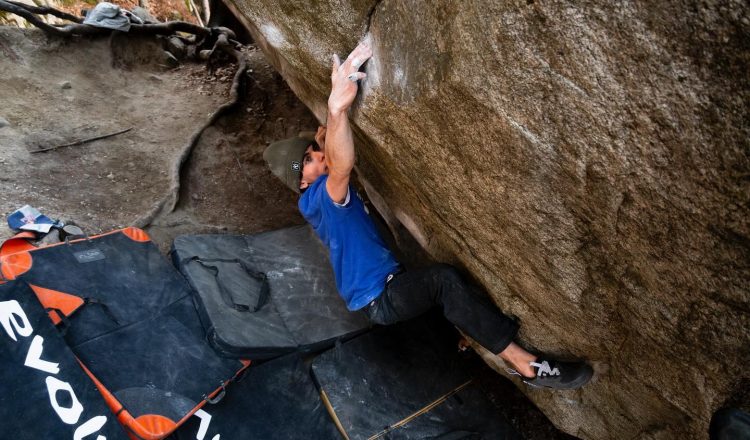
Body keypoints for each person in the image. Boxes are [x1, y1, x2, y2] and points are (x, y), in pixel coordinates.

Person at [263, 41, 593, 389]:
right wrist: (336, 110)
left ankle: (469, 332)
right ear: (302, 180)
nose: (321, 154)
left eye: (317, 149)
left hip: (385, 287)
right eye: (312, 157)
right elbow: (342, 166)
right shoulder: (318, 198)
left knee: (441, 290)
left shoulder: (318, 193)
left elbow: (332, 156)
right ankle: (526, 365)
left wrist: (326, 135)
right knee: (442, 282)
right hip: (382, 298)